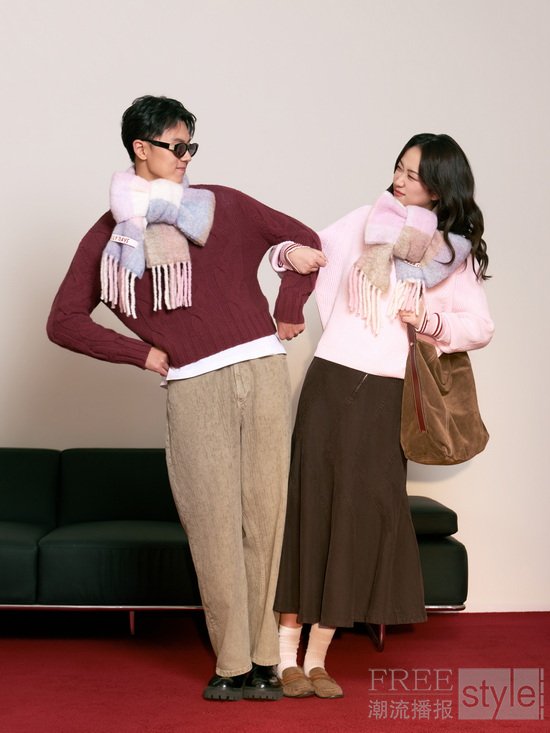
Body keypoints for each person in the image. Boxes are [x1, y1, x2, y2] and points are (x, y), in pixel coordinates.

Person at [47, 95, 325, 701]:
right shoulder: (110, 235)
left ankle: (264, 661)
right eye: (176, 146)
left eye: (191, 146)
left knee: (266, 518)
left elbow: (303, 240)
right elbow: (63, 320)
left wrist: (288, 307)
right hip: (195, 383)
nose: (186, 157)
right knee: (213, 524)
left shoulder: (223, 204)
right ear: (140, 148)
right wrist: (143, 353)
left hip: (263, 370)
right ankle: (231, 663)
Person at [270, 133, 494, 699]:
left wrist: (431, 323)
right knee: (310, 507)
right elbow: (301, 253)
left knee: (359, 518)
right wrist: (284, 260)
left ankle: (318, 658)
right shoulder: (365, 222)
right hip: (331, 379)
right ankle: (284, 657)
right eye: (399, 167)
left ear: (440, 188)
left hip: (389, 394)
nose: (399, 180)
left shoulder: (452, 255)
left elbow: (479, 327)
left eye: (413, 175)